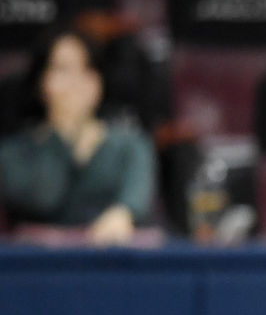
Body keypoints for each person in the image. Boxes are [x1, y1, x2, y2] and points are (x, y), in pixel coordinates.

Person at [0, 25, 157, 244]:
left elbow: (134, 204)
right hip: (37, 268)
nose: (76, 81)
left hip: (109, 260)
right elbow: (44, 199)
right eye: (63, 69)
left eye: (86, 69)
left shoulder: (131, 145)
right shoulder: (12, 152)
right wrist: (62, 131)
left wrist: (119, 218)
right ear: (40, 81)